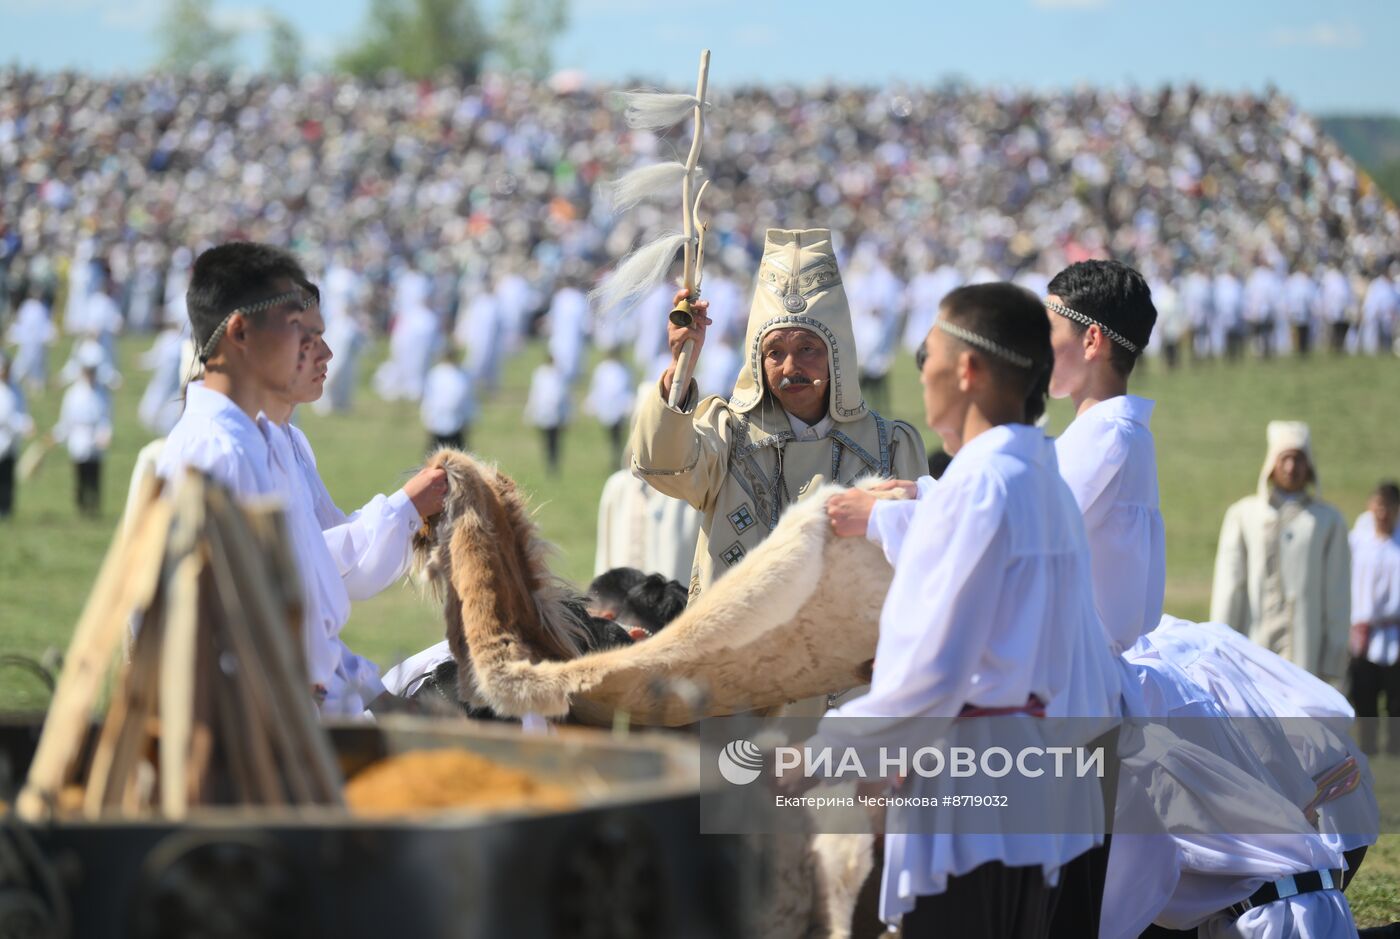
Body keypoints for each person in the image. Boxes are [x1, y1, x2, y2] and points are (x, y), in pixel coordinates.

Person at [813, 283, 1123, 937]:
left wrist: (816, 753)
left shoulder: (983, 483)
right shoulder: (1039, 476)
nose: (920, 370)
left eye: (927, 354)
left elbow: (935, 672)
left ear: (967, 368)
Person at [156, 242, 444, 716]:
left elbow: (309, 620)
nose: (319, 351)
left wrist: (371, 692)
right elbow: (222, 637)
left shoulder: (262, 441)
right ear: (241, 333)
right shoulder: (216, 452)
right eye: (299, 333)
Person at [632, 228, 926, 597]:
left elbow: (917, 560)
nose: (790, 367)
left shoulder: (889, 445)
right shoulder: (727, 433)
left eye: (808, 350)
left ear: (838, 355)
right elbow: (663, 467)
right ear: (757, 361)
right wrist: (681, 366)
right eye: (775, 352)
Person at [1045, 259, 1166, 654]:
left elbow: (1016, 523)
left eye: (1046, 330)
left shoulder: (1106, 434)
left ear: (1092, 340)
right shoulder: (1118, 432)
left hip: (1073, 671)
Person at [1210, 421, 1351, 683]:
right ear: (1271, 462)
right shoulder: (1243, 515)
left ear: (1309, 465)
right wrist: (1219, 646)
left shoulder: (1328, 521)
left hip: (1306, 655)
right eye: (1285, 458)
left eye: (1298, 459)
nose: (1291, 467)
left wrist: (1333, 658)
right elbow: (1229, 587)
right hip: (1252, 650)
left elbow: (1338, 596)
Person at [1348, 481, 1400, 755]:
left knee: (1395, 698)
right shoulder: (1358, 541)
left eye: (1388, 506)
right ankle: (1367, 746)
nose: (1382, 512)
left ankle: (1394, 748)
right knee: (1363, 693)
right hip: (1363, 632)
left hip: (1394, 631)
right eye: (1378, 505)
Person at [53, 344, 112, 516]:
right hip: (78, 439)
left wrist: (105, 434)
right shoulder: (72, 394)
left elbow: (106, 418)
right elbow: (66, 421)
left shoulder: (102, 392)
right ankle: (81, 506)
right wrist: (57, 435)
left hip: (96, 438)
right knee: (81, 475)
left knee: (95, 475)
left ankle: (94, 507)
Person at [584, 348, 634, 468]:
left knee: (618, 436)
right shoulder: (603, 369)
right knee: (613, 436)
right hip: (608, 408)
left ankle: (619, 459)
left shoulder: (624, 369)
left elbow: (628, 388)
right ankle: (615, 459)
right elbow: (597, 388)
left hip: (620, 408)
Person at [421, 349, 476, 452]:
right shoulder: (436, 374)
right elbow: (430, 399)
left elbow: (466, 399)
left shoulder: (462, 374)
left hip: (457, 422)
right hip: (438, 422)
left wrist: (468, 418)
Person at [0, 353, 34, 518]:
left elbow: (21, 412)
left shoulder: (16, 390)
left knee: (8, 476)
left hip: (11, 440)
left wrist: (26, 425)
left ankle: (7, 510)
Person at [525, 353, 570, 475]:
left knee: (555, 441)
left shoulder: (559, 375)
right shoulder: (540, 374)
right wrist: (530, 412)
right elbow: (535, 394)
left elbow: (564, 396)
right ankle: (549, 464)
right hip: (543, 413)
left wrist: (566, 414)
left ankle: (554, 464)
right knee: (547, 441)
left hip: (556, 415)